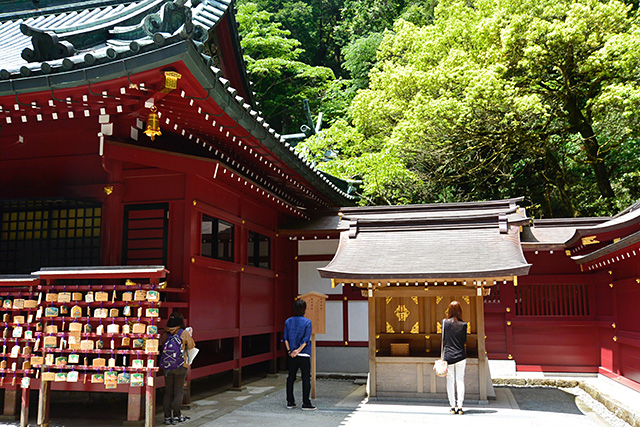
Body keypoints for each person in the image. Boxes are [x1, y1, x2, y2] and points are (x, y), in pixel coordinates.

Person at [160, 311, 196, 425]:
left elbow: (161, 344)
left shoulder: (165, 333)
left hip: (167, 367)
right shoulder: (183, 333)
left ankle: (166, 417)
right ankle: (176, 416)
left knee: (168, 391)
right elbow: (191, 346)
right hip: (181, 366)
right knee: (179, 391)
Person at [283, 298, 316, 410]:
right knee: (306, 378)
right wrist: (299, 350)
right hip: (304, 354)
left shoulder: (288, 321)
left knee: (291, 377)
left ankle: (290, 401)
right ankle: (306, 402)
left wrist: (290, 351)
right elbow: (306, 340)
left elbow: (286, 339)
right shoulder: (307, 322)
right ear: (304, 309)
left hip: (292, 354)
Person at [443, 300, 467, 415]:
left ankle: (452, 406)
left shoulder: (445, 323)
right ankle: (460, 406)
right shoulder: (463, 325)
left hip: (449, 355)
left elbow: (443, 340)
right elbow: (464, 342)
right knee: (460, 380)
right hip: (461, 355)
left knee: (450, 381)